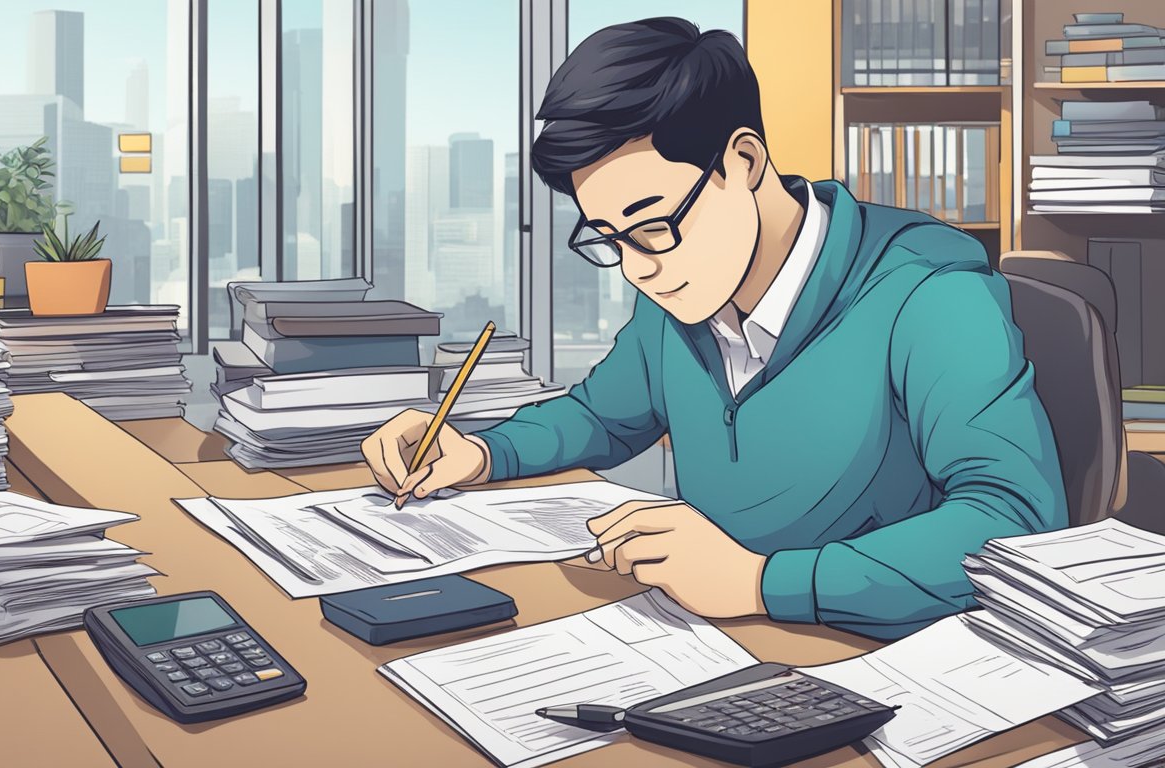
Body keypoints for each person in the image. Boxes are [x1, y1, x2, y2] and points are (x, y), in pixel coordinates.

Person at [361, 17, 1067, 640]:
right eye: (611, 239)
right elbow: (604, 417)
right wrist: (480, 453)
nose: (638, 270)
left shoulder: (928, 292)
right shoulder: (683, 288)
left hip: (884, 662)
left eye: (655, 225)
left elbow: (1016, 522)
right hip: (709, 639)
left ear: (744, 161)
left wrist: (762, 581)